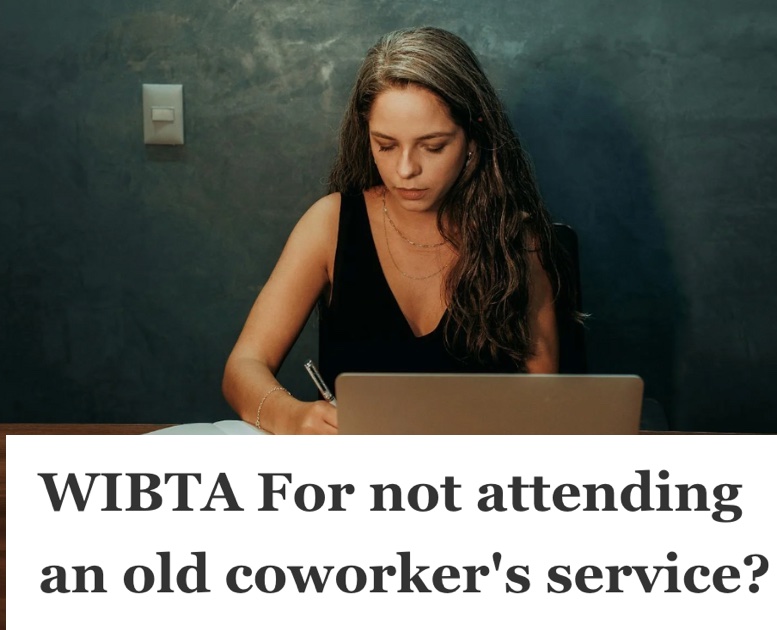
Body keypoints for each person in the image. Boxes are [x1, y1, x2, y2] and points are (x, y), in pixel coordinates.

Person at [222, 26, 570, 434]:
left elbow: (543, 402)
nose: (405, 170)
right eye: (386, 145)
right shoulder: (329, 225)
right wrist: (291, 415)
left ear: (473, 138)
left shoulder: (516, 239)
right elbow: (244, 366)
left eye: (433, 146)